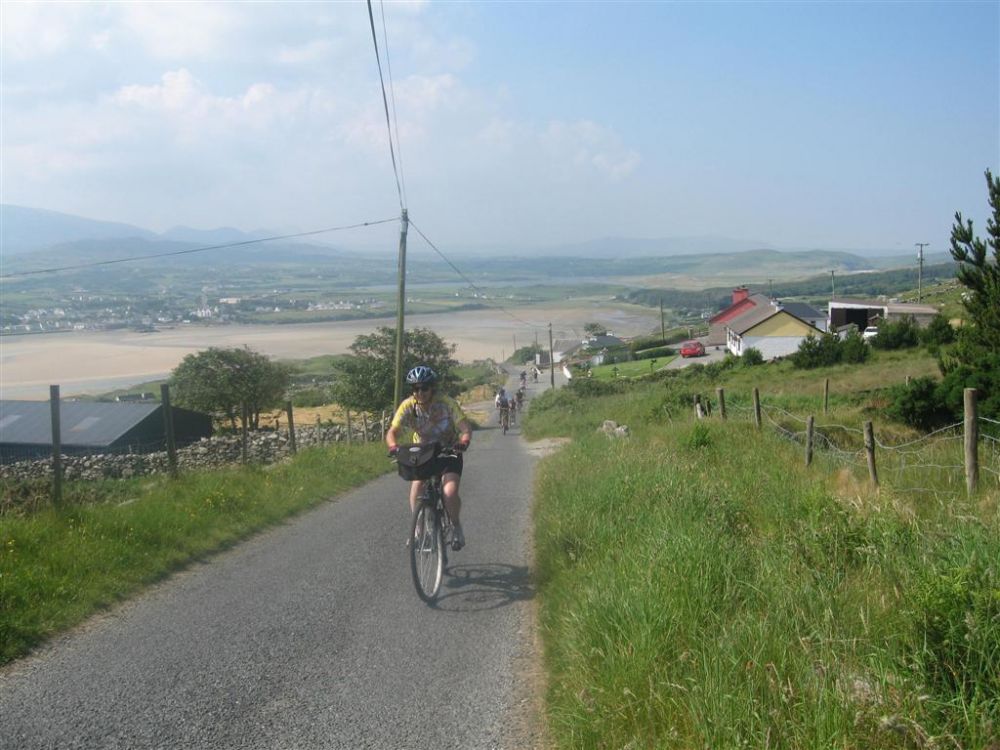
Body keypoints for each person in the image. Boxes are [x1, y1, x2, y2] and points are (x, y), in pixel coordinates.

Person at [387, 366, 472, 550]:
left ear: (432, 388)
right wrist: (393, 447)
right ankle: (418, 532)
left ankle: (456, 526)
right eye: (416, 388)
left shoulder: (446, 403)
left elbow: (465, 428)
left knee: (449, 493)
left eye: (424, 388)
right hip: (423, 451)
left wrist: (463, 442)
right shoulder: (408, 405)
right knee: (417, 486)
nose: (420, 392)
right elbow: (392, 431)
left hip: (448, 448)